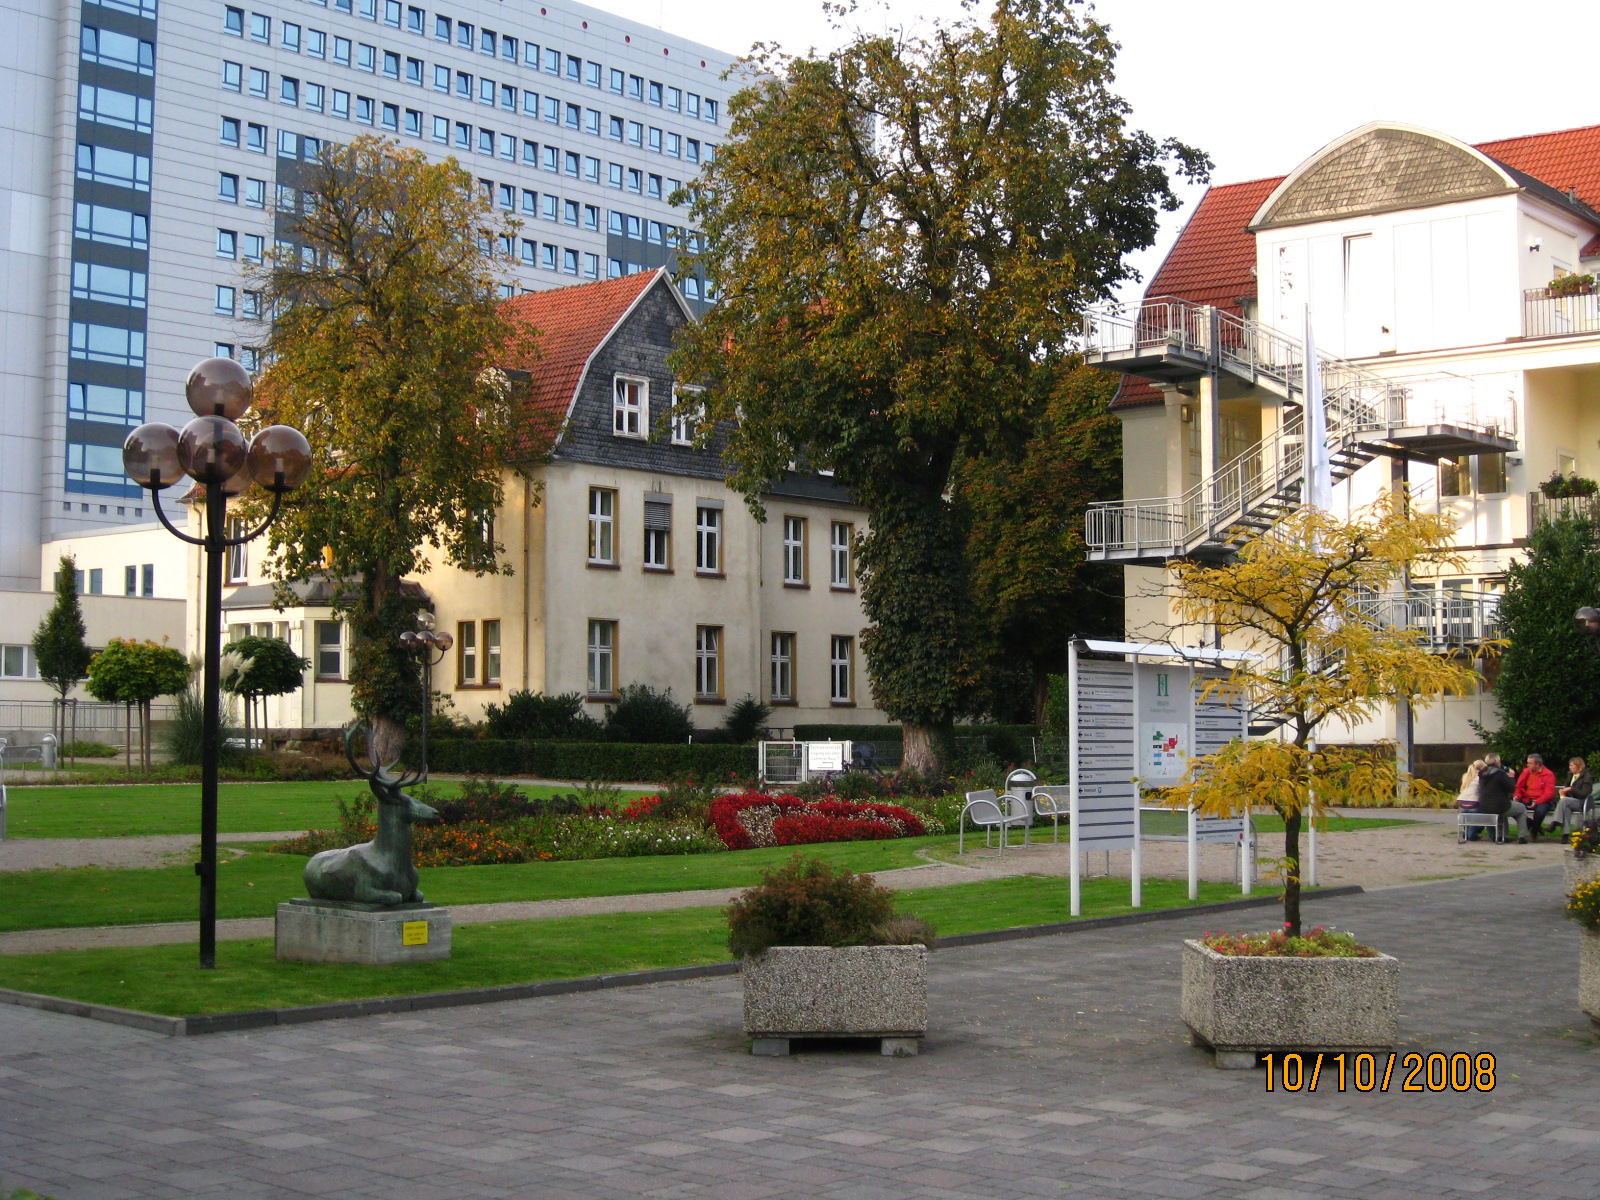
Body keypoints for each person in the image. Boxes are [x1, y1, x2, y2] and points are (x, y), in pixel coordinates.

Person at [1477, 753, 1528, 843]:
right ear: (1497, 762)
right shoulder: (1500, 773)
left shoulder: (1482, 774)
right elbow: (1511, 789)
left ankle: (1501, 836)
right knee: (1521, 808)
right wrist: (1511, 777)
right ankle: (1522, 837)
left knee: (1502, 810)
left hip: (1484, 806)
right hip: (1500, 805)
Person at [1515, 753, 1559, 840]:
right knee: (1513, 807)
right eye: (1527, 763)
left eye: (1530, 763)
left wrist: (1537, 801)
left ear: (1537, 764)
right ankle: (1531, 823)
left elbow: (1549, 793)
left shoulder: (1548, 774)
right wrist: (1517, 796)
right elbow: (1519, 787)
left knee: (1540, 812)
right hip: (1527, 798)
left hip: (1543, 800)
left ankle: (1534, 830)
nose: (1527, 765)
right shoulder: (1526, 772)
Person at [1553, 756, 1594, 838]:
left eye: (1572, 765)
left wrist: (1571, 789)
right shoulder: (1570, 775)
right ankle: (1565, 835)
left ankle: (1555, 822)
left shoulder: (1587, 776)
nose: (1569, 767)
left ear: (1578, 765)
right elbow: (1566, 787)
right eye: (1569, 765)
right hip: (1570, 801)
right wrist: (1563, 792)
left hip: (1582, 801)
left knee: (1564, 801)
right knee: (1566, 808)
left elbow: (1584, 793)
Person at [1458, 758, 1486, 840]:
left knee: (1467, 817)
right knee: (1483, 816)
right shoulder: (1479, 777)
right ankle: (1471, 835)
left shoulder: (1465, 776)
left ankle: (1467, 832)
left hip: (1461, 802)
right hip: (1473, 803)